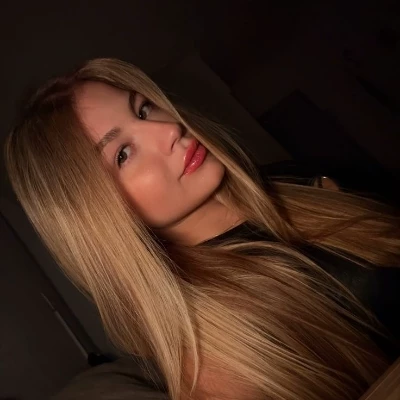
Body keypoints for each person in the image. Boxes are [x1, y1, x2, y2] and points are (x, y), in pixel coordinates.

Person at [4, 58, 400, 400]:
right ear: (98, 217)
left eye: (144, 109)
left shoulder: (290, 180)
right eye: (122, 153)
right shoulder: (216, 359)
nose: (169, 129)